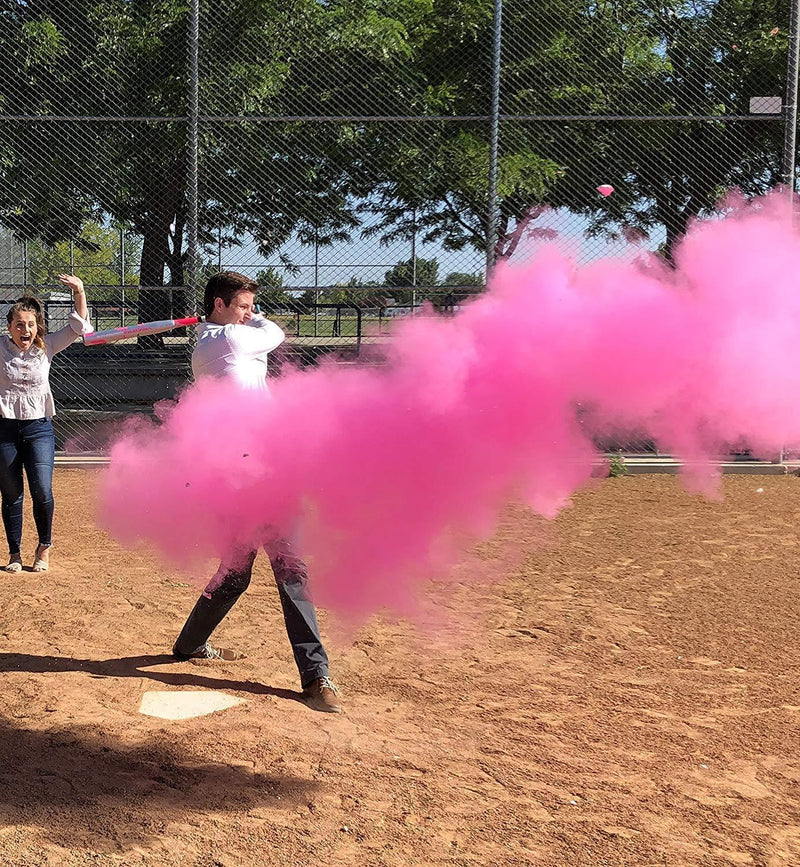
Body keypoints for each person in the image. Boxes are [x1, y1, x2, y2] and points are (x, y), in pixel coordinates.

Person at [171, 271, 343, 714]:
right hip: (243, 473)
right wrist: (256, 320)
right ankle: (316, 676)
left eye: (250, 306)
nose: (250, 312)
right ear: (220, 305)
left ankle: (191, 644)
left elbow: (263, 335)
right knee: (283, 568)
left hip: (263, 467)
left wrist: (246, 319)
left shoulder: (221, 338)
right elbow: (276, 331)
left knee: (245, 572)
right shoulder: (227, 341)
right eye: (243, 305)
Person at [0, 275, 93, 573]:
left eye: (30, 324)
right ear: (9, 327)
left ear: (37, 326)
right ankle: (14, 553)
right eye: (19, 324)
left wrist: (79, 290)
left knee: (42, 489)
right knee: (11, 493)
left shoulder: (48, 345)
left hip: (39, 428)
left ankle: (44, 547)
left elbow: (78, 327)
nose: (24, 330)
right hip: (5, 428)